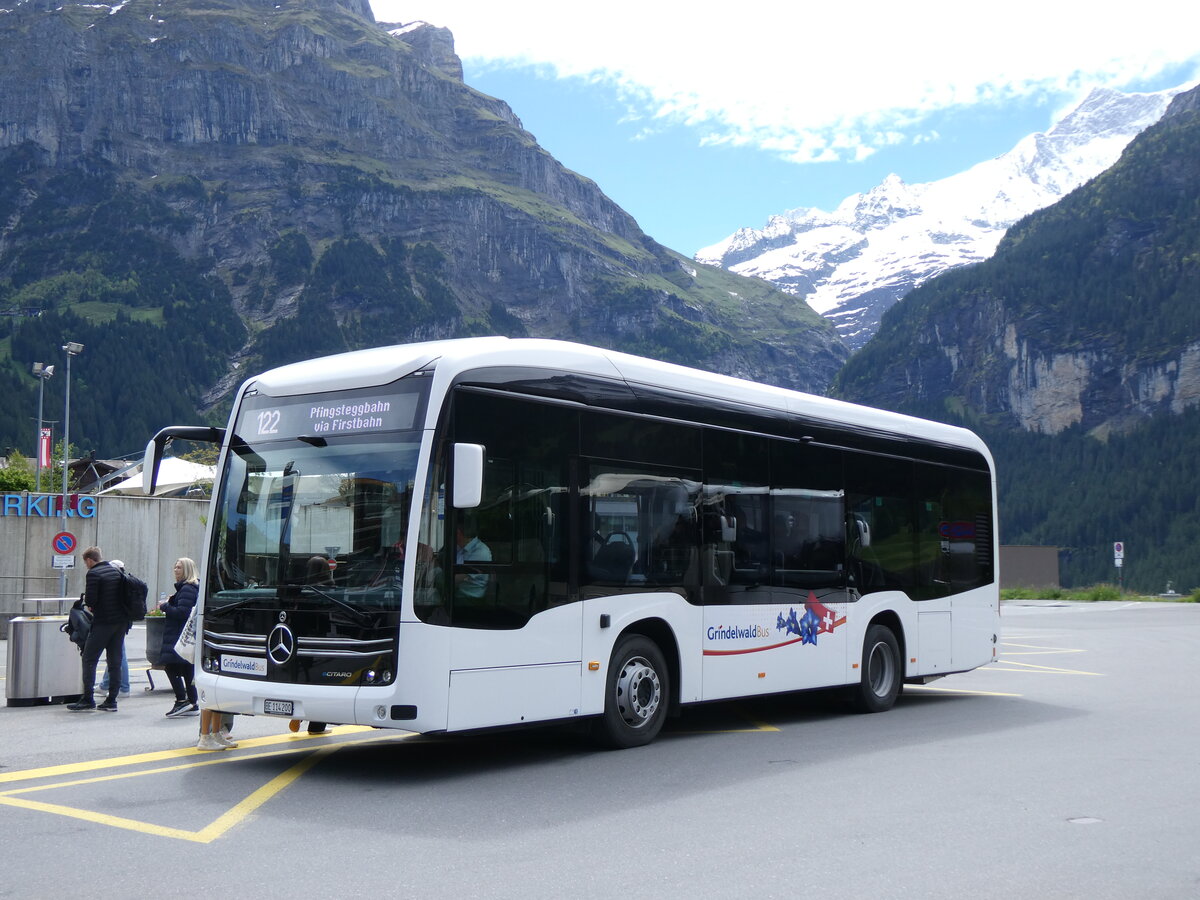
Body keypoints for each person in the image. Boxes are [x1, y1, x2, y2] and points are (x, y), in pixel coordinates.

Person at [67, 547, 129, 712]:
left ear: (89, 560)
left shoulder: (93, 574)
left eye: (85, 563)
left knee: (89, 658)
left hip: (103, 622)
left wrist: (91, 606)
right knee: (115, 661)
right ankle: (112, 700)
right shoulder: (116, 571)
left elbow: (91, 600)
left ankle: (88, 699)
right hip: (120, 623)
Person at [159, 557, 200, 718]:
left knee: (171, 667)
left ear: (187, 570)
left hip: (179, 634)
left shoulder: (187, 589)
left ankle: (182, 700)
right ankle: (192, 702)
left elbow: (183, 612)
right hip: (180, 634)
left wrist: (165, 606)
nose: (175, 570)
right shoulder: (188, 588)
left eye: (179, 568)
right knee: (186, 669)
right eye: (175, 567)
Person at [99, 559, 131, 696]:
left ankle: (124, 687)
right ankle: (105, 685)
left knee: (119, 655)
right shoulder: (126, 581)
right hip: (122, 622)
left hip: (115, 623)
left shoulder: (117, 583)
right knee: (115, 655)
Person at [453, 518, 492, 602]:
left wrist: (438, 576)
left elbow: (457, 578)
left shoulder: (480, 551)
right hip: (458, 592)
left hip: (469, 598)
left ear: (458, 533)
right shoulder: (460, 547)